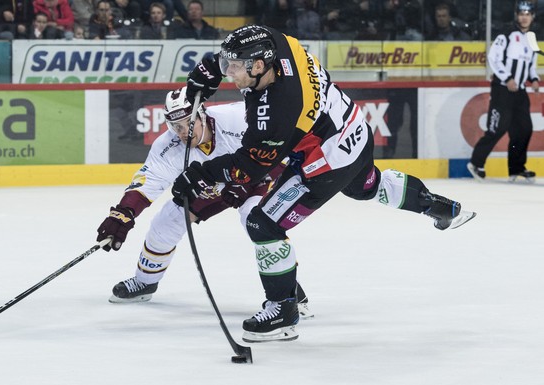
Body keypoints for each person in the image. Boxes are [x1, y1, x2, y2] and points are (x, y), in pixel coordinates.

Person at [172, 25, 477, 343]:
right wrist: (206, 74)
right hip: (354, 130)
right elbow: (240, 45)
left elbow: (249, 165)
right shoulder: (277, 42)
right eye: (228, 66)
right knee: (367, 186)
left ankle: (284, 309)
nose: (230, 74)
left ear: (259, 66)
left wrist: (198, 176)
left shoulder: (276, 111)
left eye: (234, 68)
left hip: (326, 162)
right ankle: (438, 206)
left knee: (263, 225)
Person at [95, 86, 313, 318]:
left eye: (186, 124)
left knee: (258, 223)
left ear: (202, 115)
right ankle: (145, 282)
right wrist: (123, 212)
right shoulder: (168, 145)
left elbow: (283, 148)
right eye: (175, 126)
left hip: (261, 177)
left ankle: (289, 294)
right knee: (167, 221)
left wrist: (248, 181)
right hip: (216, 183)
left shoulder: (239, 118)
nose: (181, 132)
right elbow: (149, 181)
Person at [467, 1, 538, 182]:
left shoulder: (531, 38)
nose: (524, 17)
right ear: (517, 15)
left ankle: (516, 168)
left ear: (533, 17)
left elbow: (531, 66)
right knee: (497, 128)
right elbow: (493, 58)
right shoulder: (506, 34)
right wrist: (507, 78)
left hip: (520, 92)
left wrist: (535, 80)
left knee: (524, 129)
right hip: (502, 89)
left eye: (528, 14)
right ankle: (476, 163)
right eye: (521, 13)